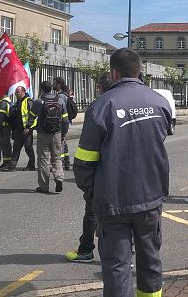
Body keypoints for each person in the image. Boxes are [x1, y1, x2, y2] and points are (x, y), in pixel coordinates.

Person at [74, 48, 171, 297]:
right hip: (150, 198)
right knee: (150, 260)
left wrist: (94, 192)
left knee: (117, 266)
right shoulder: (159, 102)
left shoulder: (101, 106)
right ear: (139, 71)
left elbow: (84, 162)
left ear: (113, 72)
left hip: (113, 201)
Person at [65, 71, 113, 264]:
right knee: (124, 215)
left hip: (102, 174)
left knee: (93, 213)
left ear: (100, 88)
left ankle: (86, 250)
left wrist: (87, 184)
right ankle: (125, 252)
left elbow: (87, 150)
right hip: (126, 174)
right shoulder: (131, 103)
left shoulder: (98, 107)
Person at [29, 80, 66, 194]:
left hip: (43, 133)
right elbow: (65, 119)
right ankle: (59, 178)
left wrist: (28, 128)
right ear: (51, 89)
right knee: (56, 158)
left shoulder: (39, 102)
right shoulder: (60, 100)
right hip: (56, 133)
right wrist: (63, 133)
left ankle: (44, 186)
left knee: (43, 159)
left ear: (41, 89)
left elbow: (31, 118)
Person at [5, 85, 35, 171]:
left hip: (26, 129)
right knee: (16, 147)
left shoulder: (28, 101)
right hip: (18, 129)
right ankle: (12, 166)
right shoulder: (18, 102)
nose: (15, 94)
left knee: (28, 147)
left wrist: (28, 127)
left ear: (23, 92)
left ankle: (31, 165)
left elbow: (32, 116)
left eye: (17, 92)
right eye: (15, 92)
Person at [53, 77, 72, 170]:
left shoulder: (60, 96)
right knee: (63, 142)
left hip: (61, 123)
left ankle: (62, 163)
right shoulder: (64, 95)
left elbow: (61, 111)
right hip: (64, 122)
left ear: (59, 84)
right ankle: (67, 162)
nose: (53, 85)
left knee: (60, 143)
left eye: (54, 83)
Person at [0, 92, 13, 170]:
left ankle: (7, 163)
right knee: (6, 145)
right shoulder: (9, 101)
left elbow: (1, 116)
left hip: (4, 127)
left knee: (5, 145)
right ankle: (6, 162)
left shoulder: (3, 103)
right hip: (7, 126)